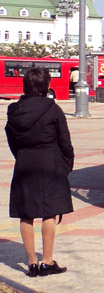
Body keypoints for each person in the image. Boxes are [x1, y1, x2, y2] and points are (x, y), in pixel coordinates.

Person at [6, 67, 74, 277]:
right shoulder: (53, 109)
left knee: (26, 214)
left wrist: (22, 156)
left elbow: (12, 140)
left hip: (25, 164)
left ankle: (32, 263)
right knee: (49, 212)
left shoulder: (13, 110)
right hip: (50, 163)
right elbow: (65, 142)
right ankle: (47, 261)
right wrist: (67, 164)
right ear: (47, 86)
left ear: (25, 85)